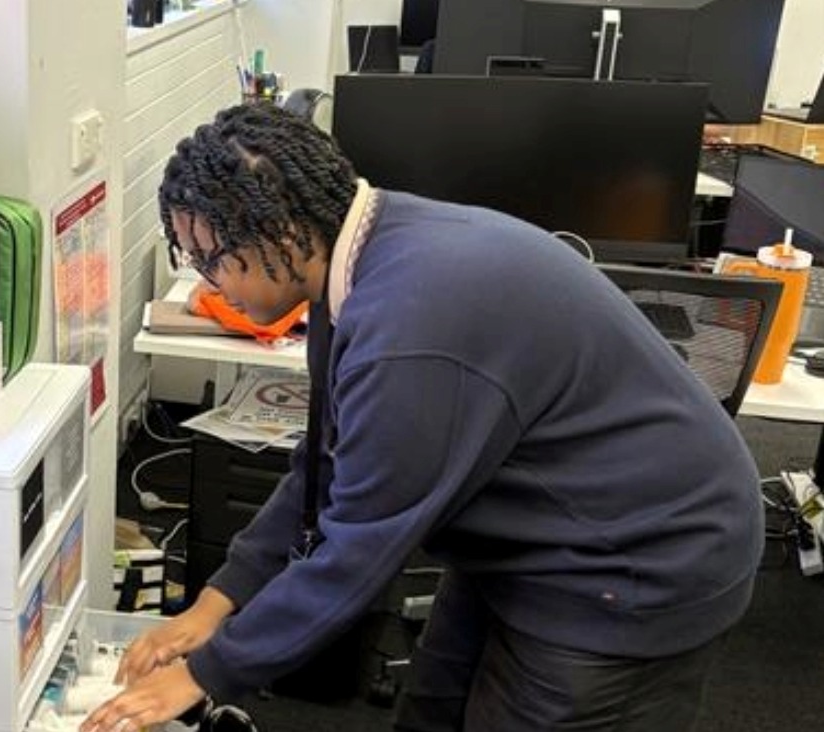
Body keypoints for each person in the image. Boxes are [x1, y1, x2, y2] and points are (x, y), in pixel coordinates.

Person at [80, 103, 763, 732]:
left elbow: (358, 550)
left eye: (211, 257)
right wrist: (216, 603)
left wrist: (206, 674)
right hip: (535, 536)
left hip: (639, 561)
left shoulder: (408, 326)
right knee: (433, 711)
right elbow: (323, 464)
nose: (206, 281)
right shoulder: (356, 256)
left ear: (280, 231)